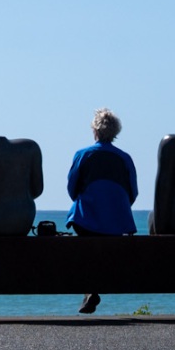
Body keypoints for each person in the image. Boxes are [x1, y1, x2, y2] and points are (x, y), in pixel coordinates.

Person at [65, 108, 138, 314]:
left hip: (86, 219)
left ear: (95, 131)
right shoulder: (125, 158)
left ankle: (90, 290)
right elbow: (133, 192)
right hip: (117, 222)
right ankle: (92, 288)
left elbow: (72, 189)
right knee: (104, 251)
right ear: (115, 132)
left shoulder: (83, 154)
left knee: (86, 250)